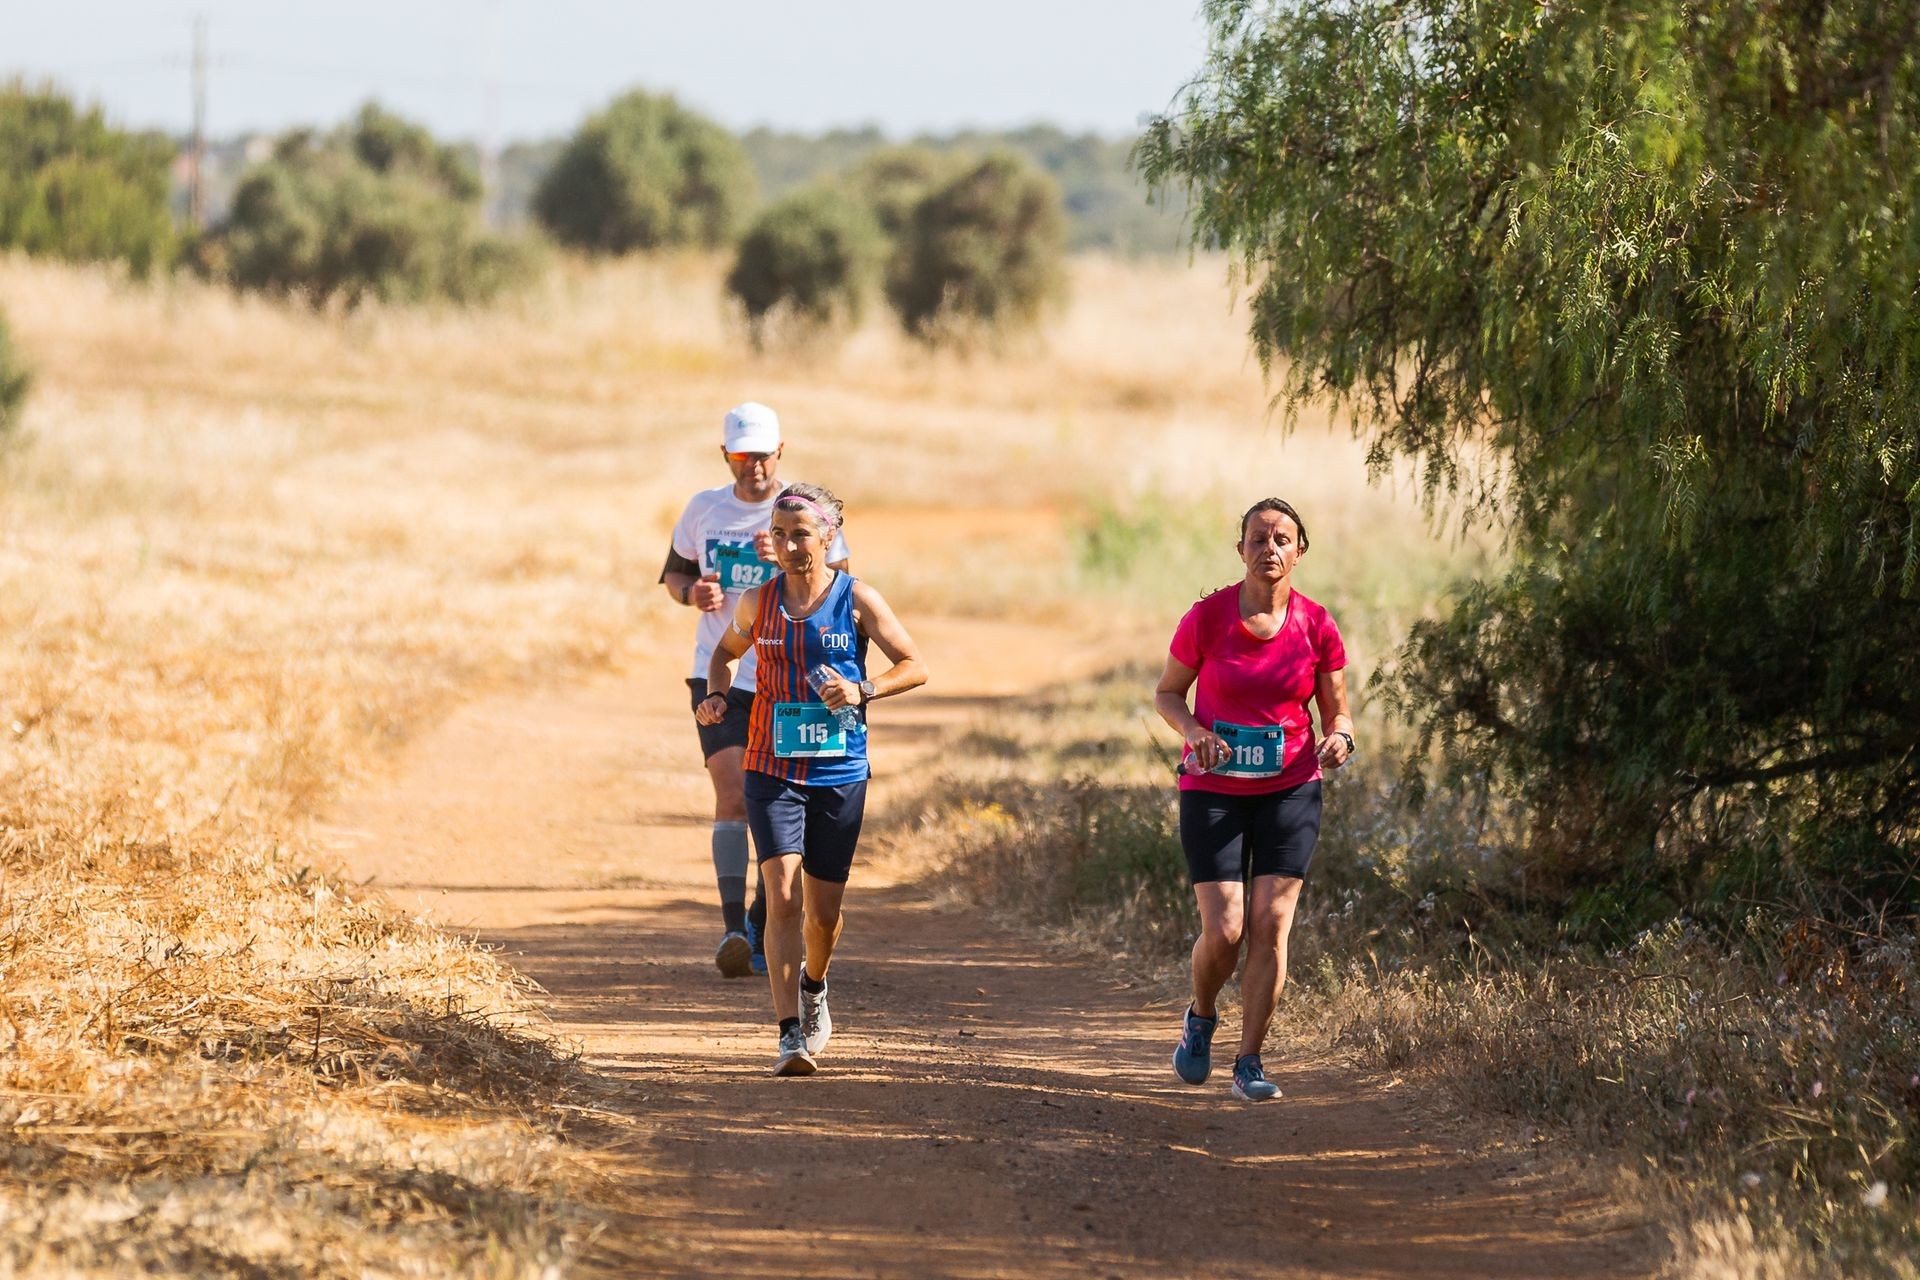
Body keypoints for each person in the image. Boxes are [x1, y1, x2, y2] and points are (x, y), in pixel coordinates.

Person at [696, 482, 927, 1076]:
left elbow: (915, 664)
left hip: (839, 770)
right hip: (772, 768)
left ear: (828, 536)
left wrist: (862, 688)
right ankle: (787, 1034)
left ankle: (815, 985)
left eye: (802, 534)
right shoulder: (757, 603)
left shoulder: (856, 600)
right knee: (780, 897)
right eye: (780, 534)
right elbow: (721, 655)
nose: (791, 544)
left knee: (822, 916)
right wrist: (719, 695)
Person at [1153, 497, 1354, 1101]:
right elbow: (1168, 694)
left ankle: (1250, 1062)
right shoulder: (1207, 618)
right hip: (1214, 789)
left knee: (1270, 923)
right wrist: (1195, 733)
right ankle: (1202, 1015)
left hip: (1291, 786)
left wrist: (1340, 735)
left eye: (1282, 539)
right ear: (1240, 549)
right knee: (1228, 929)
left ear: (1300, 550)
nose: (1270, 548)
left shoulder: (1317, 624)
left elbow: (1336, 708)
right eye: (1258, 538)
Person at [660, 403, 851, 979]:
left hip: (786, 676)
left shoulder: (803, 510)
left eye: (763, 454)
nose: (754, 466)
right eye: (742, 456)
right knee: (732, 793)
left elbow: (840, 585)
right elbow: (674, 574)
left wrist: (788, 563)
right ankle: (731, 930)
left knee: (781, 800)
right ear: (726, 456)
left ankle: (762, 921)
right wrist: (693, 594)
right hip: (717, 669)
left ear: (780, 452)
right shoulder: (703, 508)